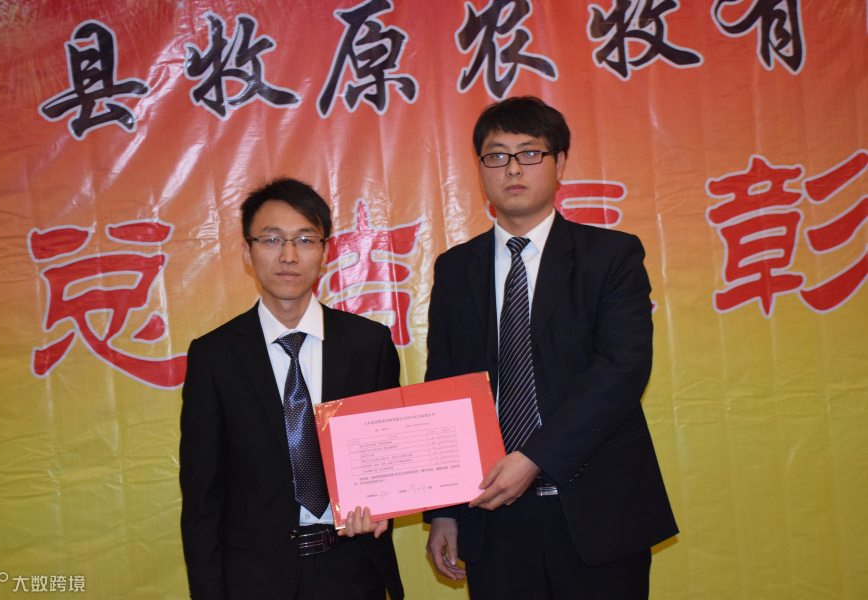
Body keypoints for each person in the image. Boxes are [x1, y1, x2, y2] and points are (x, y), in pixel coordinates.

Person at [424, 96, 678, 599]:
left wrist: (533, 457)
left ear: (559, 163)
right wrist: (445, 511)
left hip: (595, 508)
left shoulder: (611, 256)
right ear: (480, 168)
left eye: (529, 153)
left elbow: (621, 371)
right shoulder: (455, 269)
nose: (513, 168)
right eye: (497, 155)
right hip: (491, 512)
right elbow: (445, 385)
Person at [180, 177, 404, 600]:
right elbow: (202, 498)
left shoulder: (368, 344)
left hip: (353, 568)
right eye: (271, 240)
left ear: (326, 251)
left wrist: (385, 503)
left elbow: (391, 455)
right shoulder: (215, 356)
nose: (289, 255)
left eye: (305, 239)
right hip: (255, 578)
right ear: (247, 251)